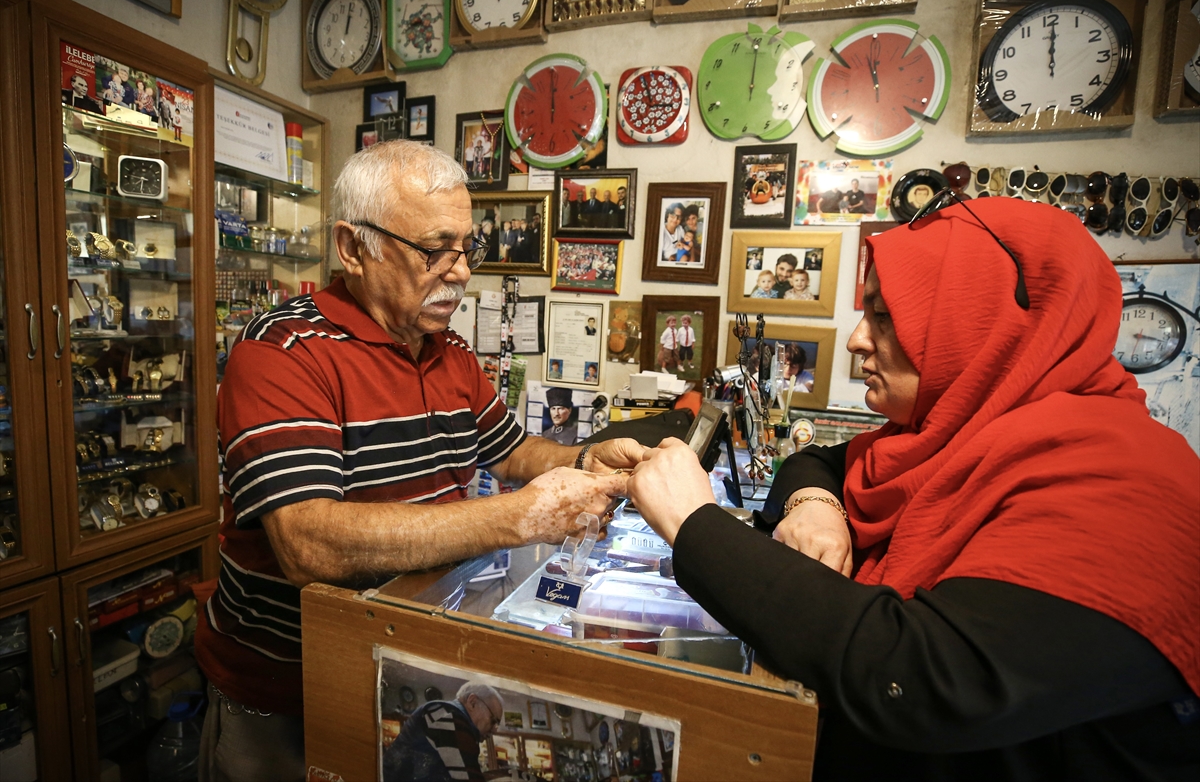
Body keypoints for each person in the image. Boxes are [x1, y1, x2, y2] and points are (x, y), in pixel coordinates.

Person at [625, 196, 1199, 780]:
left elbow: (923, 681)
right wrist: (817, 505)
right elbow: (823, 460)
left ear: (983, 321)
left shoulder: (1128, 480)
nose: (856, 339)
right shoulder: (948, 435)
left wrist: (695, 524)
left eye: (885, 316)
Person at [196, 141, 640, 782]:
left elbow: (512, 449)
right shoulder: (284, 351)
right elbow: (309, 544)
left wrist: (584, 456)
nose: (460, 272)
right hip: (285, 695)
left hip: (403, 666)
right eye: (435, 249)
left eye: (467, 247)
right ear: (353, 248)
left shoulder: (447, 348)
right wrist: (519, 518)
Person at [382, 681, 502, 782]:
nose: (495, 730)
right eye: (493, 720)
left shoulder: (442, 712)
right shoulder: (450, 716)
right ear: (472, 702)